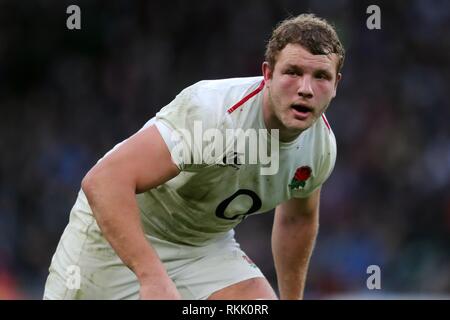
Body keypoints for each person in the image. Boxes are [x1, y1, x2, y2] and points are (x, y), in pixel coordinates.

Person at [44, 13, 344, 300]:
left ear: (335, 85)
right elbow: (104, 181)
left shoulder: (320, 147)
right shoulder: (212, 112)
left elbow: (296, 219)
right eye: (292, 72)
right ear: (267, 74)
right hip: (120, 236)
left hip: (204, 247)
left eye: (320, 76)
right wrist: (152, 278)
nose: (305, 89)